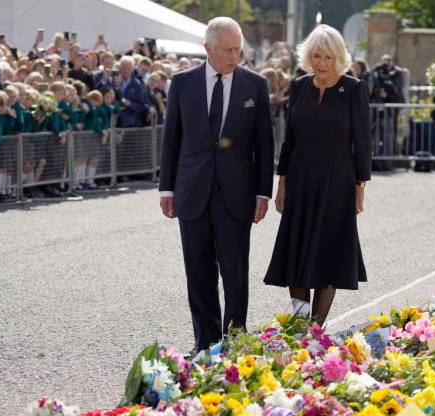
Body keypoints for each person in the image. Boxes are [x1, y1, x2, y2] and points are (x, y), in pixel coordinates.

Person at [159, 17, 274, 353]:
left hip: (236, 194)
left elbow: (265, 144)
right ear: (207, 48)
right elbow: (171, 140)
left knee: (235, 271)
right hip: (191, 190)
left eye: (238, 48)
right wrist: (166, 188)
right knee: (198, 271)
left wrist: (262, 192)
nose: (234, 56)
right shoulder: (182, 83)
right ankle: (205, 341)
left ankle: (236, 339)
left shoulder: (255, 85)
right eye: (227, 49)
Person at [263, 24, 372, 325]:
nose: (321, 63)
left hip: (337, 183)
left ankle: (315, 328)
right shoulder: (299, 87)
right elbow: (290, 140)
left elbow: (362, 142)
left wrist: (360, 187)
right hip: (300, 181)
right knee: (295, 255)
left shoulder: (353, 88)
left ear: (338, 57)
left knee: (329, 254)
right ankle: (299, 325)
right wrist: (282, 182)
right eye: (315, 56)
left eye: (327, 56)